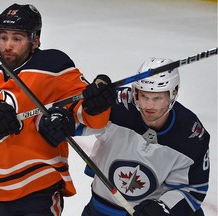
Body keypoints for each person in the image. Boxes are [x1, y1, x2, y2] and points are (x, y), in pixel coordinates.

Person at [0, 3, 116, 216]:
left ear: (35, 40)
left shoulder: (54, 66)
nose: (7, 45)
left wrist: (96, 104)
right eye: (3, 37)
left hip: (37, 192)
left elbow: (89, 118)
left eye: (16, 38)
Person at [79, 57, 210, 216]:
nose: (148, 106)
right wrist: (64, 118)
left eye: (157, 98)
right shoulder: (117, 105)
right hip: (102, 210)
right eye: (144, 96)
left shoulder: (191, 134)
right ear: (136, 93)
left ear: (173, 94)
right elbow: (79, 122)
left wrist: (163, 209)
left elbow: (192, 191)